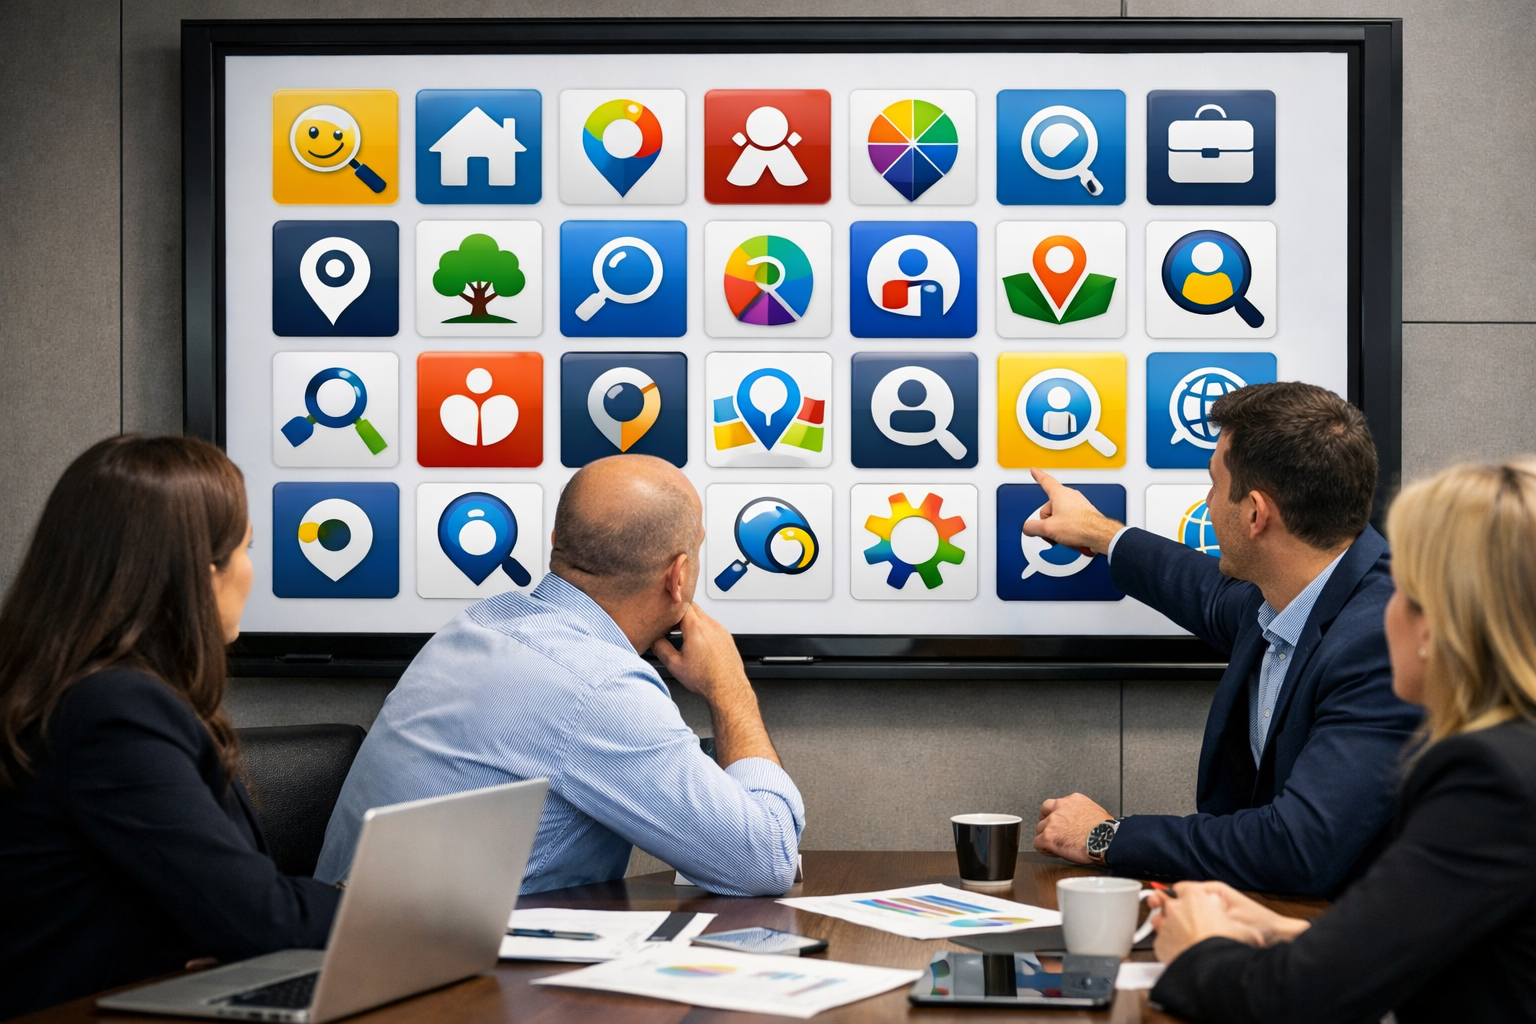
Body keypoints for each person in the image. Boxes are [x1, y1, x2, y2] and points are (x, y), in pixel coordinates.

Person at [1147, 459, 1536, 1023]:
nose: (1383, 609)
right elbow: (1450, 945)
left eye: (1401, 588)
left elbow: (1292, 1002)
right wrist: (1293, 930)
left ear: (1438, 625)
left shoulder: (1487, 779)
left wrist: (1199, 949)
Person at [316, 455, 803, 896]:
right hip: (428, 979)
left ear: (557, 545)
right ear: (678, 577)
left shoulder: (478, 625)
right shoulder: (597, 685)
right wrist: (728, 688)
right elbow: (766, 860)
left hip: (337, 953)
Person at [1029, 382, 1420, 896]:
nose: (1208, 503)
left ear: (1256, 513)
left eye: (1214, 484)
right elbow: (1206, 592)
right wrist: (1100, 534)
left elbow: (1298, 848)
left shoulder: (1381, 641)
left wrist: (1107, 836)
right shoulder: (1292, 593)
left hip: (1351, 949)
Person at [0, 436, 339, 1020]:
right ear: (198, 574)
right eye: (246, 549)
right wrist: (391, 904)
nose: (250, 572)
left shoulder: (81, 692)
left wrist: (232, 937)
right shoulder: (114, 710)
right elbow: (262, 917)